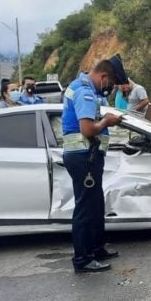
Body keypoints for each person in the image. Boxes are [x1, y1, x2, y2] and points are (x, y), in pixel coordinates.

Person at [62, 54, 128, 273]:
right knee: (85, 208)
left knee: (95, 204)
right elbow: (88, 129)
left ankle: (97, 248)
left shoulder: (86, 88)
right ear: (103, 76)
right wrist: (107, 122)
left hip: (88, 156)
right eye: (111, 83)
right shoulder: (84, 92)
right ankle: (82, 259)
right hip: (83, 157)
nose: (110, 88)